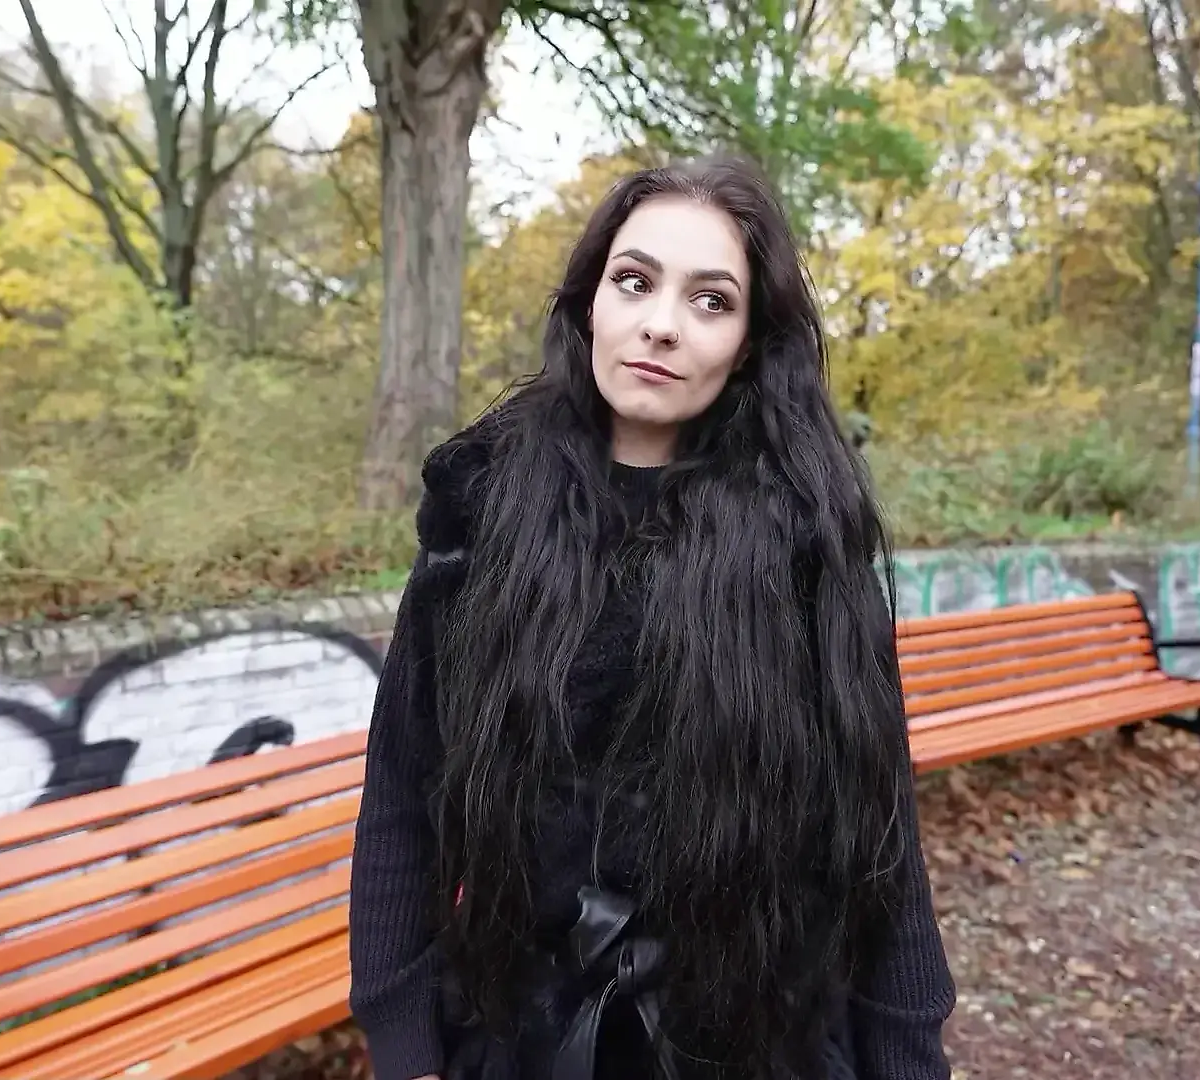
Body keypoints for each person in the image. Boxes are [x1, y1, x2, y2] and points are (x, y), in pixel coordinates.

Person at [347, 156, 956, 1080]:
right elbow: (402, 790)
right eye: (635, 281)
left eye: (711, 301)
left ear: (747, 343)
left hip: (759, 1041)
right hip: (518, 1040)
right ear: (592, 301)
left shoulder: (808, 544)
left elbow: (880, 839)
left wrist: (908, 1057)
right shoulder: (482, 515)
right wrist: (405, 1042)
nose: (662, 324)